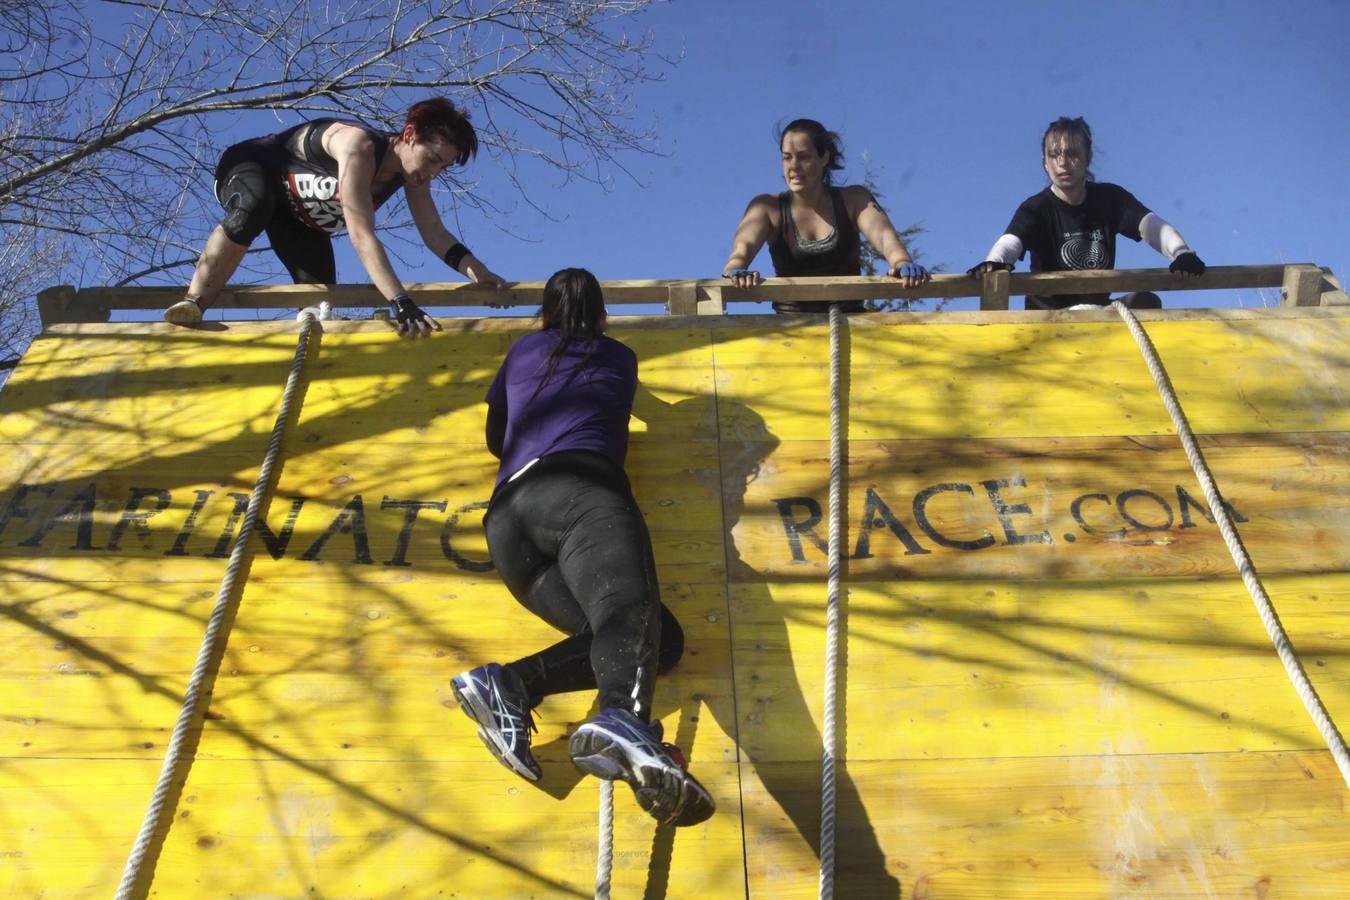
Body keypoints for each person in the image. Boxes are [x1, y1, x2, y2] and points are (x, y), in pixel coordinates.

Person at [450, 268, 714, 828]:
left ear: (544, 315)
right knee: (628, 614)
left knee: (652, 641)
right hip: (581, 494)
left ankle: (511, 685)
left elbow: (497, 438)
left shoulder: (523, 352)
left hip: (508, 523)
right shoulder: (618, 358)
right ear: (602, 316)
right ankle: (624, 716)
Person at [164, 97, 506, 335]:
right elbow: (361, 233)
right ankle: (193, 302)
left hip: (300, 222)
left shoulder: (412, 176)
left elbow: (435, 234)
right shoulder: (358, 146)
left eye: (443, 168)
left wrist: (481, 272)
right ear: (409, 135)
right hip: (251, 169)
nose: (432, 173)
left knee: (319, 308)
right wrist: (402, 302)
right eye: (432, 159)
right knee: (253, 207)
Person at [969, 116, 1205, 309]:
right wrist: (995, 262)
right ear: (1045, 162)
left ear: (1088, 158)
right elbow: (1011, 241)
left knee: (1146, 302)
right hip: (1048, 319)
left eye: (1072, 153)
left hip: (1100, 314)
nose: (1062, 163)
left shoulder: (1110, 198)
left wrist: (1181, 253)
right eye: (1054, 155)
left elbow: (1150, 225)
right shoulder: (1036, 207)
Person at [721, 118, 930, 314]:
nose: (794, 166)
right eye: (787, 158)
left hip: (852, 324)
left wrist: (901, 262)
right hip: (790, 332)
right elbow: (742, 250)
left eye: (804, 157)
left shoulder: (854, 200)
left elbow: (885, 239)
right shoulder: (766, 207)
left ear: (824, 157)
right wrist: (735, 271)